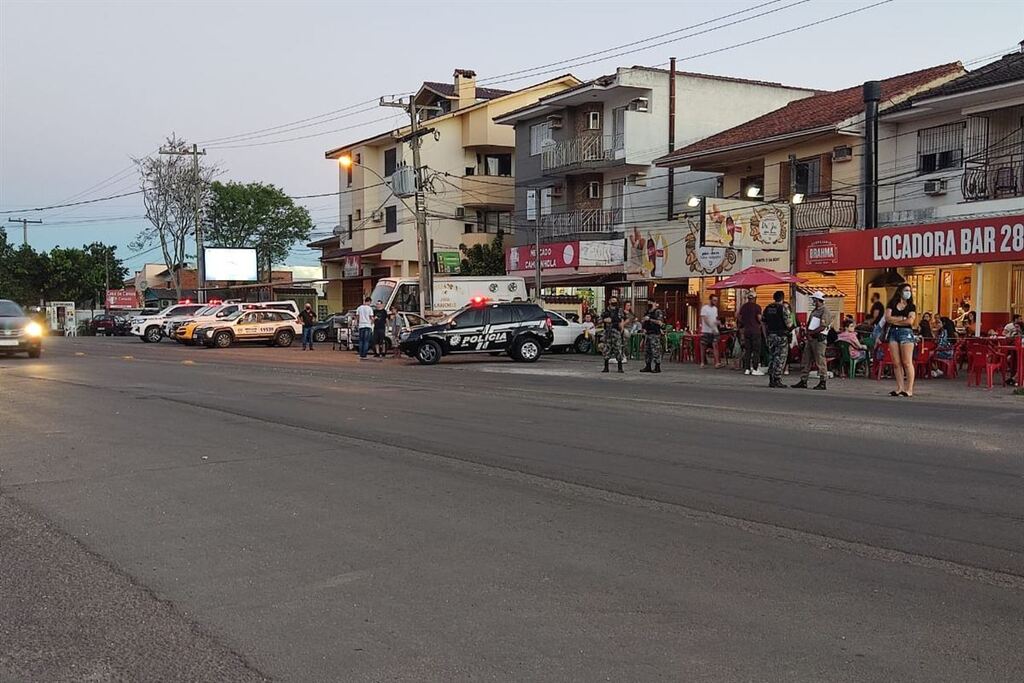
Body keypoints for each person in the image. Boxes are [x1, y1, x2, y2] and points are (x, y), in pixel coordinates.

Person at [792, 291, 831, 390]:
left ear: (819, 300)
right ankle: (803, 380)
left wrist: (811, 333)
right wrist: (808, 333)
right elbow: (810, 324)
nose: (813, 301)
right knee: (806, 359)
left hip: (819, 339)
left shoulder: (824, 311)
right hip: (811, 339)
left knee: (820, 361)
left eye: (814, 299)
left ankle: (823, 381)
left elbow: (823, 326)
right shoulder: (814, 311)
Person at [885, 283, 917, 397]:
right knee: (896, 363)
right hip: (893, 332)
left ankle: (909, 389)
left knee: (907, 362)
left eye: (909, 290)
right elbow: (887, 318)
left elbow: (910, 321)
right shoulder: (892, 304)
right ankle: (899, 387)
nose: (908, 292)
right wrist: (901, 319)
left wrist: (896, 320)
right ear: (900, 291)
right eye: (906, 290)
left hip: (906, 333)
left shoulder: (911, 306)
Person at [762, 290, 792, 389]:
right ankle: (777, 379)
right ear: (782, 298)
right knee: (780, 358)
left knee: (772, 357)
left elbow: (763, 322)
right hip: (781, 336)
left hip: (770, 335)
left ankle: (771, 378)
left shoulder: (768, 308)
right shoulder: (783, 308)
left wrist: (766, 335)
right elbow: (789, 324)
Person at [737, 292, 763, 376]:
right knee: (756, 350)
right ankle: (755, 368)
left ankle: (747, 369)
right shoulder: (757, 307)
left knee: (747, 350)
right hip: (755, 331)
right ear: (755, 298)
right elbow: (759, 318)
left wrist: (745, 322)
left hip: (746, 330)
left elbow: (739, 317)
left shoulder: (743, 307)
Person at [600, 296, 625, 374]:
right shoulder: (605, 310)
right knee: (606, 349)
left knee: (618, 349)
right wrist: (605, 320)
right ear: (609, 301)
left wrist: (621, 328)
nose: (614, 302)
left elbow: (620, 319)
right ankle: (606, 367)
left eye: (615, 300)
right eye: (612, 300)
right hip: (607, 332)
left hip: (616, 331)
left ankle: (620, 367)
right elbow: (600, 319)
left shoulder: (619, 310)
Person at [640, 299, 666, 373]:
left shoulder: (658, 312)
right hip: (648, 333)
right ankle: (648, 366)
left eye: (651, 303)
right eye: (648, 303)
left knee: (655, 350)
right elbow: (644, 322)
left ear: (655, 303)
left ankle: (657, 367)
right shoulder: (647, 311)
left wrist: (650, 319)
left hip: (655, 333)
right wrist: (644, 323)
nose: (649, 304)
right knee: (647, 351)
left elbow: (660, 323)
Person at [699, 294, 724, 368]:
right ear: (710, 300)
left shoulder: (715, 309)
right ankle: (702, 362)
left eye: (716, 300)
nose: (715, 302)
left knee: (715, 346)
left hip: (714, 330)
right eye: (714, 300)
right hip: (706, 330)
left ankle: (717, 363)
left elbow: (715, 318)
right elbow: (705, 319)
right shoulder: (705, 308)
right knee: (703, 346)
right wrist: (711, 326)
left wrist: (718, 323)